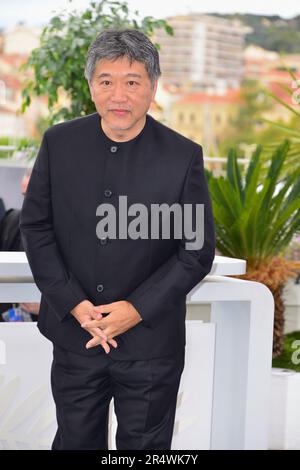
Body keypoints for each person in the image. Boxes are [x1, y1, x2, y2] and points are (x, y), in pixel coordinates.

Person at [19, 29, 215, 450]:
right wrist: (72, 302)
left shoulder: (183, 156)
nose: (118, 94)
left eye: (133, 81)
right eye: (106, 81)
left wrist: (136, 310)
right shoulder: (58, 143)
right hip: (76, 336)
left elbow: (196, 250)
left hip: (151, 345)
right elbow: (35, 227)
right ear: (91, 87)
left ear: (153, 87)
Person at [0, 167, 40, 320]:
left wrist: (47, 307)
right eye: (25, 196)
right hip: (13, 321)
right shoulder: (12, 220)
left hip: (53, 329)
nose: (28, 204)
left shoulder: (72, 231)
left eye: (33, 197)